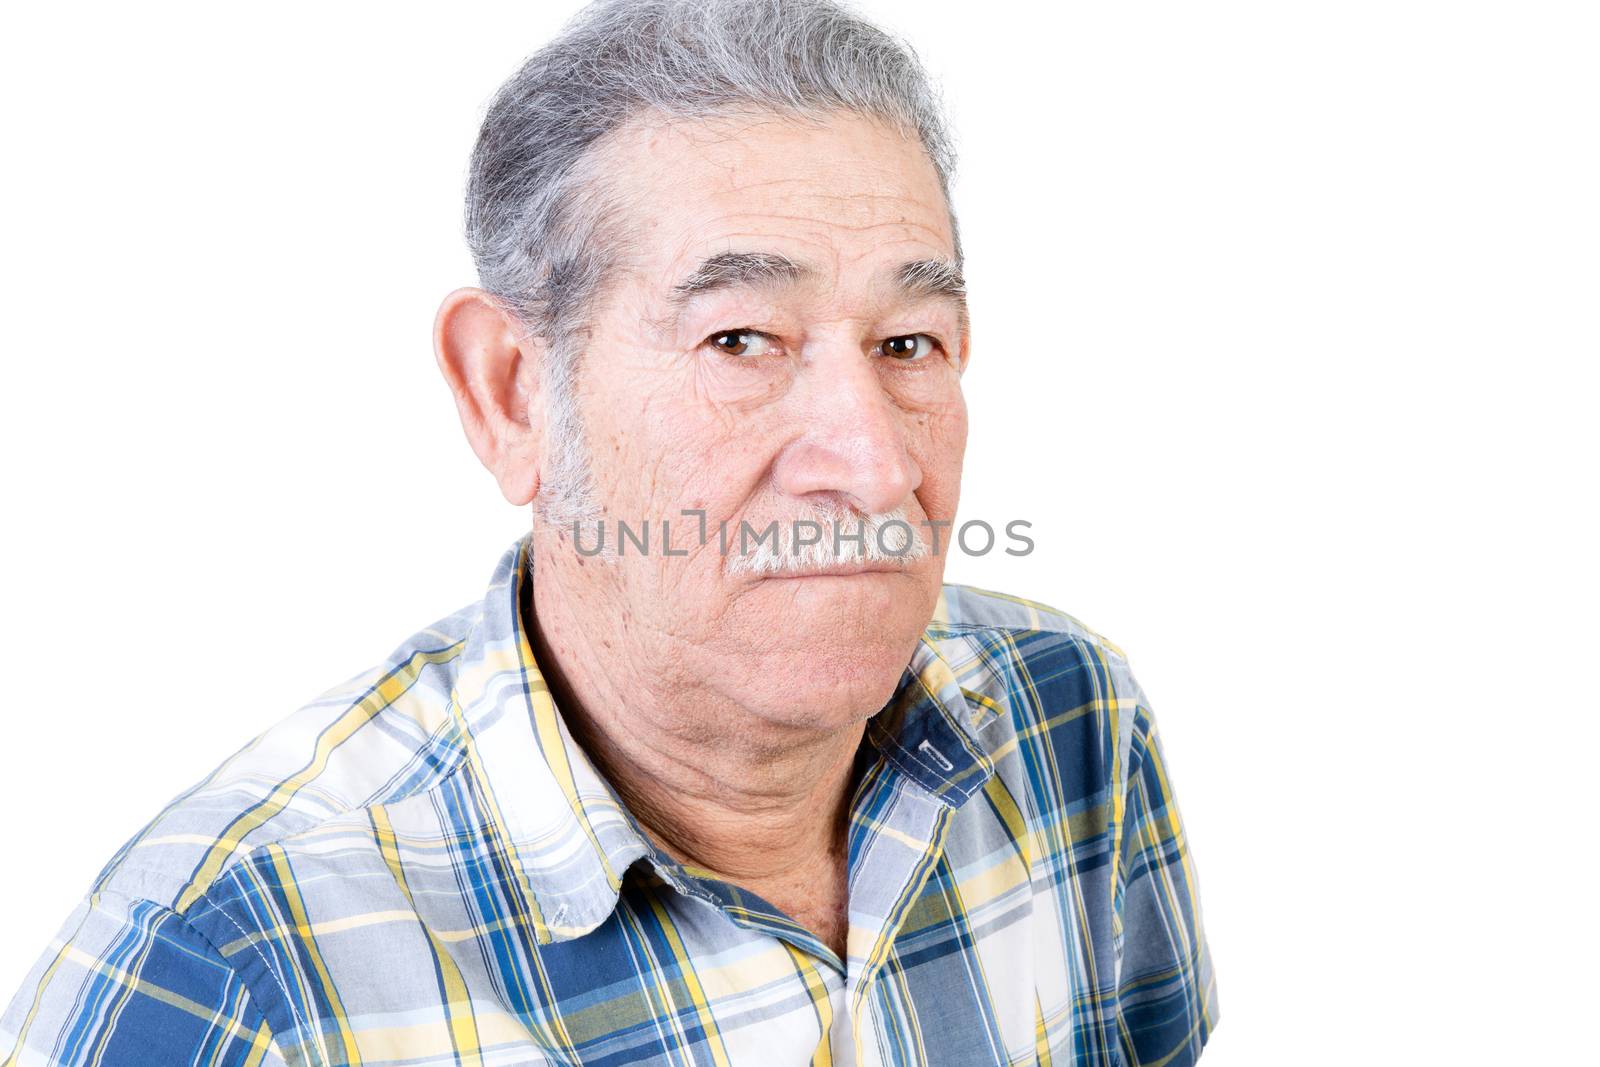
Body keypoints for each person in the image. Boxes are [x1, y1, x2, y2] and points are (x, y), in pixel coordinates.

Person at [0, 1, 1218, 1063]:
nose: (875, 463)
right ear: (512, 392)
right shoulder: (236, 962)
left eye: (908, 344)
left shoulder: (1069, 724)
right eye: (740, 339)